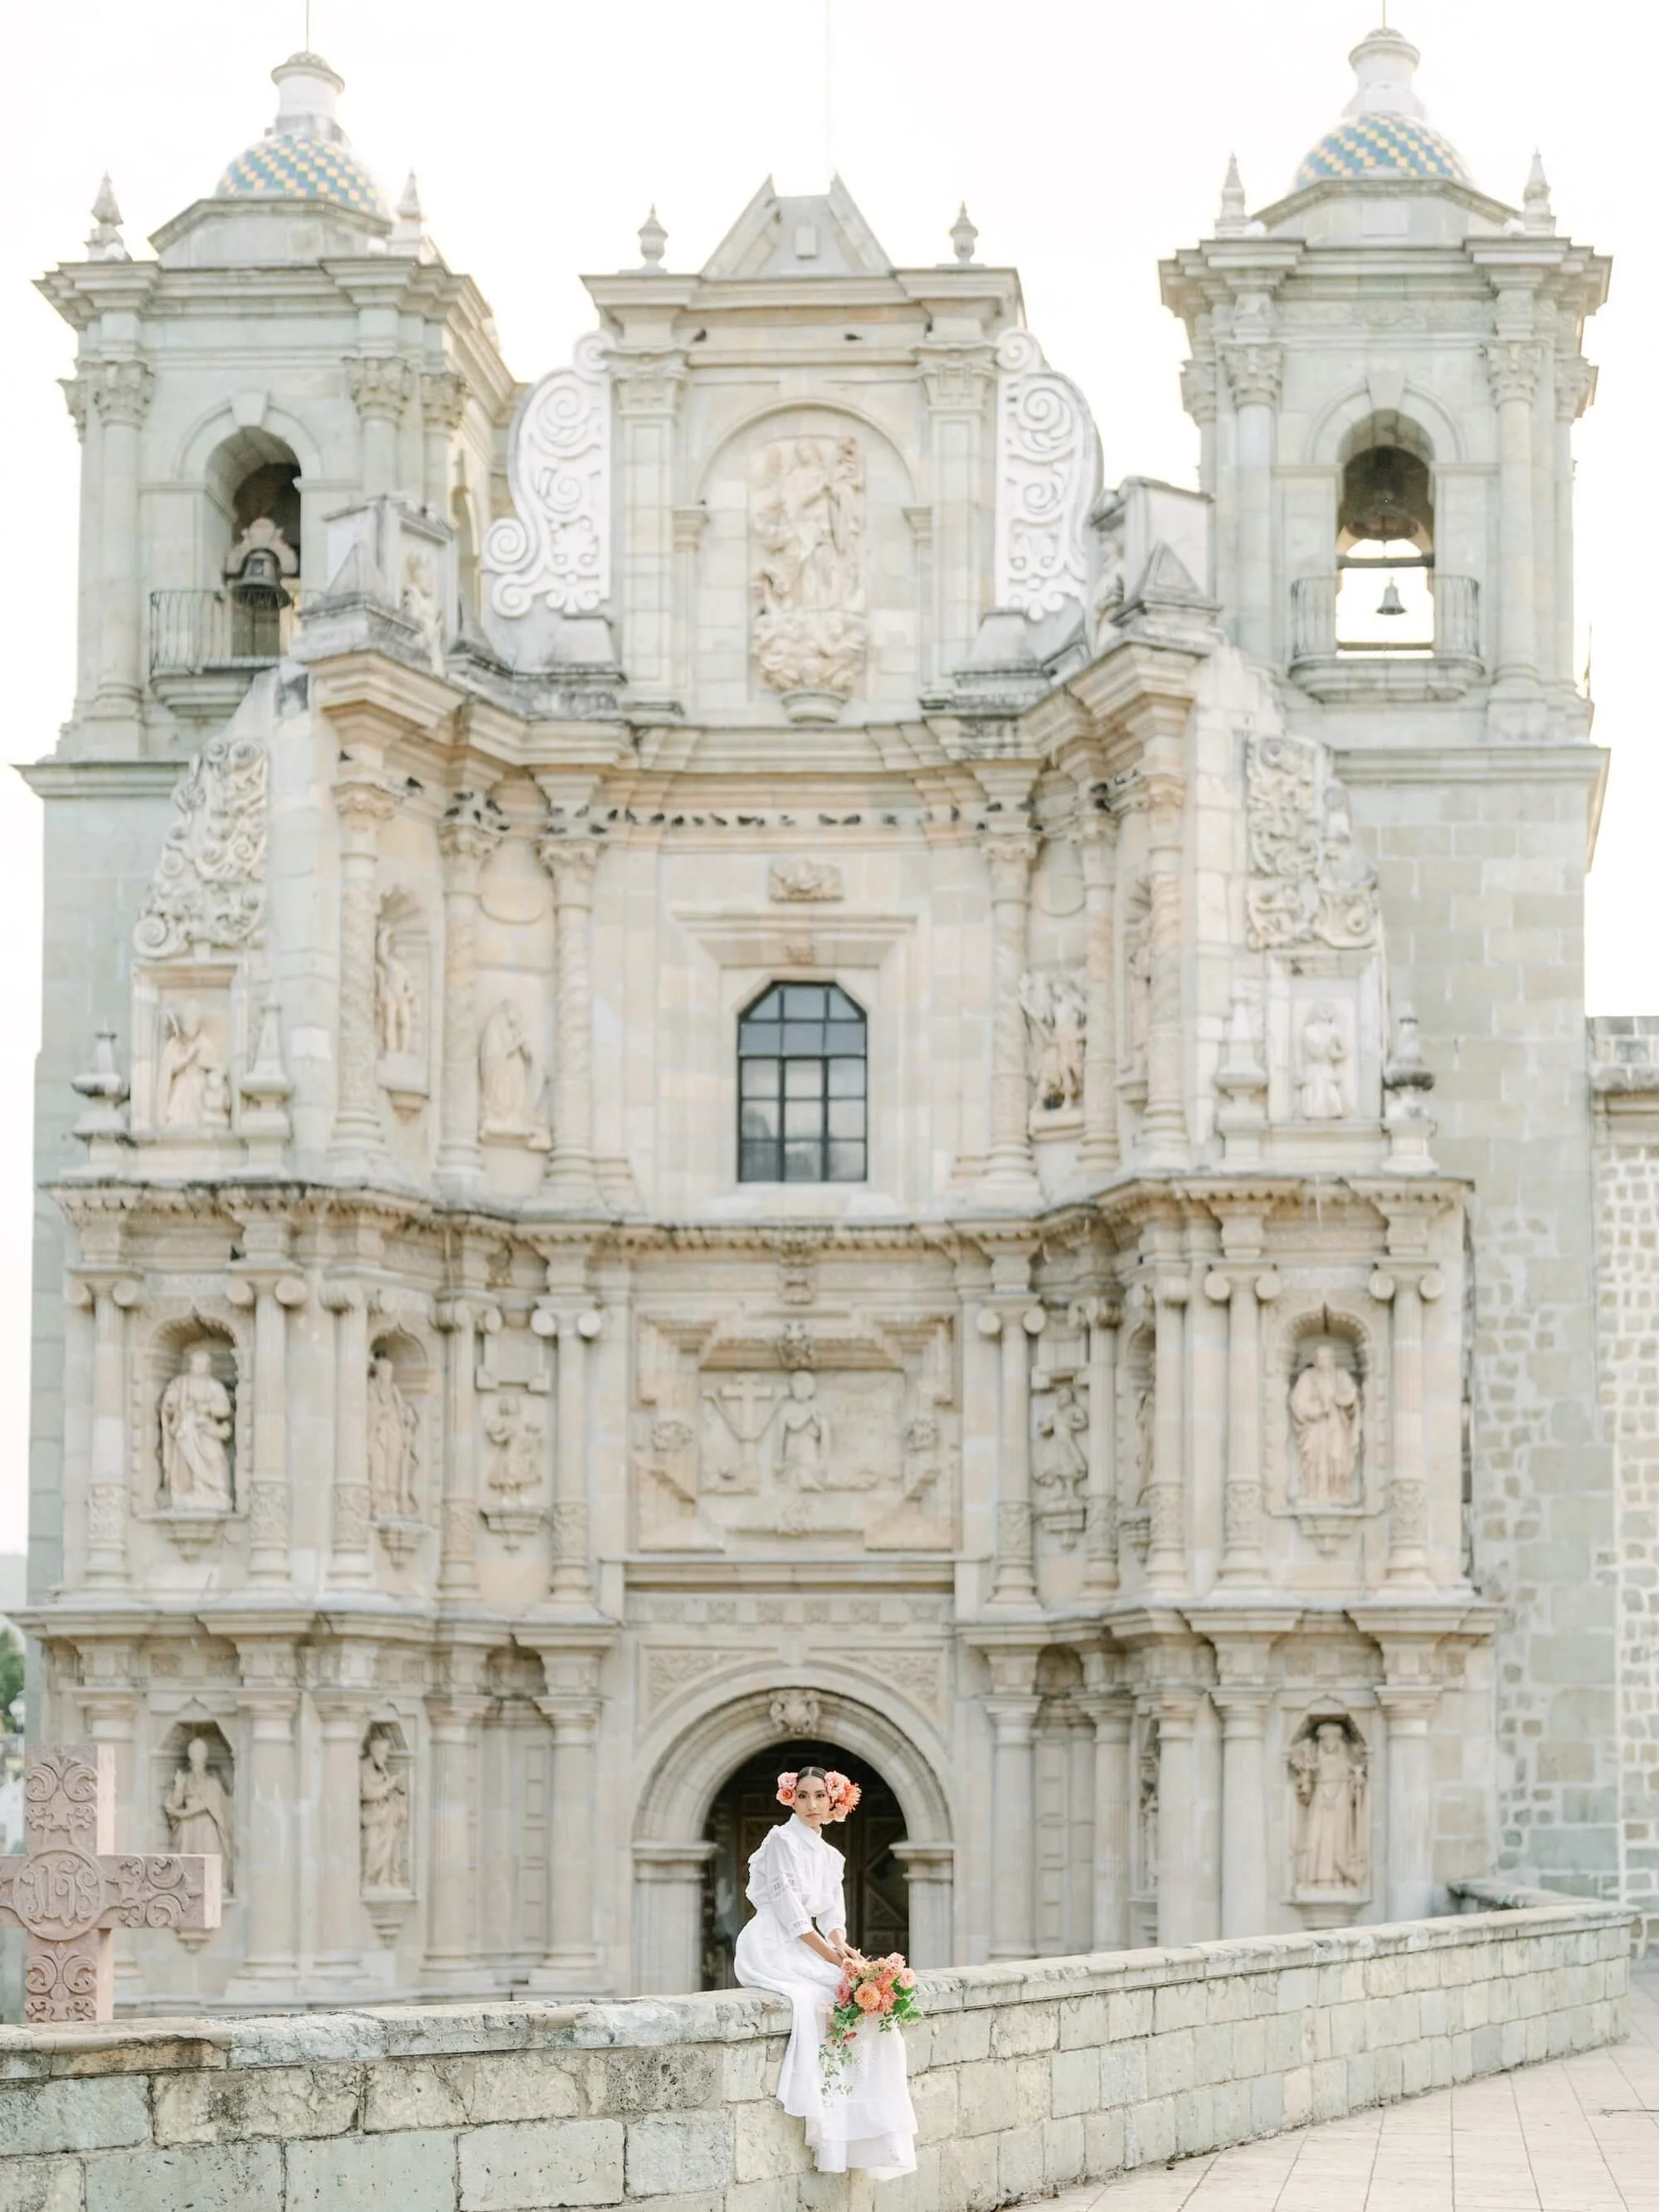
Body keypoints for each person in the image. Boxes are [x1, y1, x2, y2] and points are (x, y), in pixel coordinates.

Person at [733, 1764, 916, 2180]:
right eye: (803, 1796)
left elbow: (833, 1913)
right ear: (790, 1798)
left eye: (819, 1796)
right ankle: (830, 2114)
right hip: (772, 1943)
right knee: (821, 1998)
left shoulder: (832, 1855)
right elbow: (793, 1916)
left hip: (811, 1945)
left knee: (874, 2011)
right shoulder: (781, 1841)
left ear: (833, 1800)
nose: (811, 1804)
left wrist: (844, 1948)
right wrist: (834, 1961)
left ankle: (865, 2122)